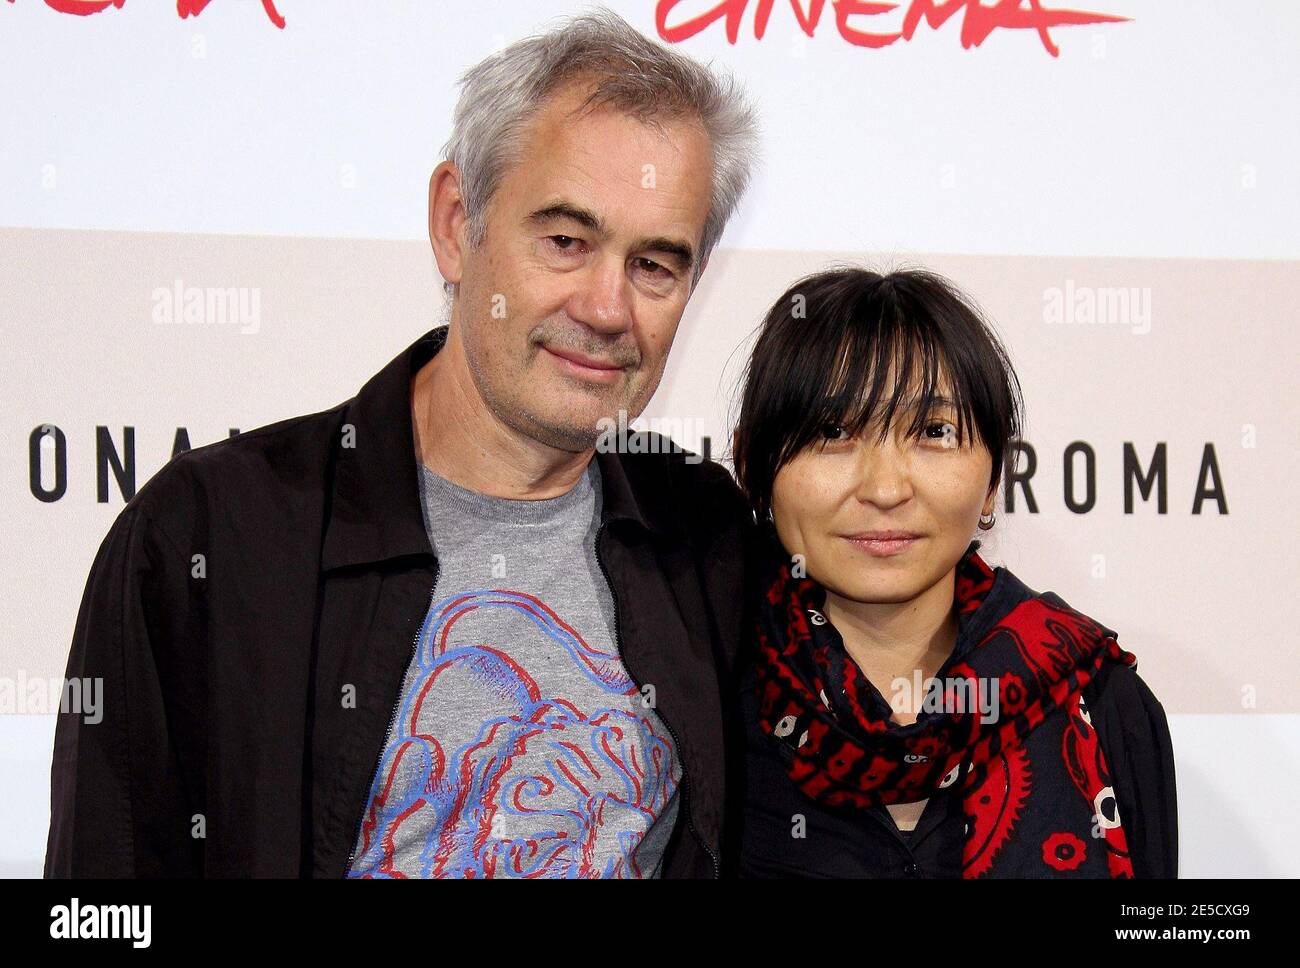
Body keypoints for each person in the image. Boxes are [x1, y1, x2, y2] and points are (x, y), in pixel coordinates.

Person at [44, 8, 759, 879]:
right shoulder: (206, 534)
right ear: (458, 224)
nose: (607, 309)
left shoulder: (710, 538)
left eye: (655, 264)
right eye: (566, 241)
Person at [729, 266, 1178, 878]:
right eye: (833, 432)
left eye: (933, 432)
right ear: (753, 466)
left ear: (995, 478)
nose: (885, 488)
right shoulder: (702, 707)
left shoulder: (1100, 703)